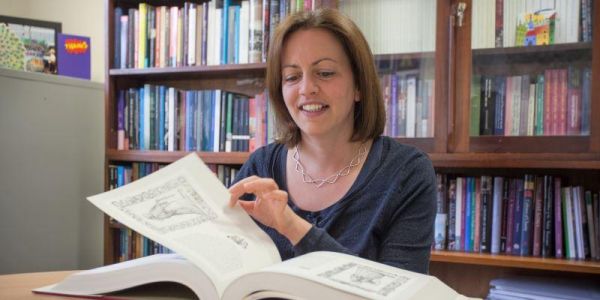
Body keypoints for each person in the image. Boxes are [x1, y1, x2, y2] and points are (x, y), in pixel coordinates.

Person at [228, 8, 436, 274]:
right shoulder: (261, 165)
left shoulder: (407, 172)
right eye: (292, 77)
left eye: (325, 73)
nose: (306, 89)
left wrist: (292, 227)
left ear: (359, 86)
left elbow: (399, 291)